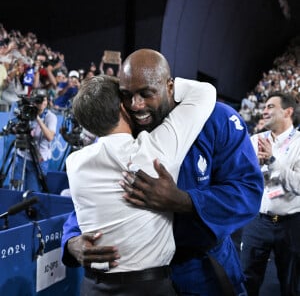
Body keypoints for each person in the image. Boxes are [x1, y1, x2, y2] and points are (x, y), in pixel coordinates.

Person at [61, 49, 264, 296]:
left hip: (202, 270)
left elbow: (248, 192)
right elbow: (92, 197)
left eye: (147, 93)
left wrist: (185, 201)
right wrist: (72, 241)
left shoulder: (217, 118)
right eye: (127, 95)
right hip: (140, 281)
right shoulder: (121, 128)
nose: (136, 105)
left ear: (170, 87)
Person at [66, 73, 216, 295]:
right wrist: (164, 84)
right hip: (148, 287)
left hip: (93, 286)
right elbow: (205, 92)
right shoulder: (154, 150)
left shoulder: (74, 163)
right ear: (123, 108)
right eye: (128, 97)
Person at [240, 92, 300, 296]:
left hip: (291, 225)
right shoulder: (254, 139)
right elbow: (238, 178)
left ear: (288, 112)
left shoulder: (299, 143)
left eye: (270, 107)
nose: (264, 111)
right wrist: (252, 167)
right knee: (246, 280)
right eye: (264, 107)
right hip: (257, 222)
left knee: (290, 284)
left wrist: (273, 161)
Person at [12, 88, 57, 192]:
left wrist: (37, 117)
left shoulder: (51, 117)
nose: (41, 102)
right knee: (15, 189)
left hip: (39, 160)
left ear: (47, 101)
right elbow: (15, 130)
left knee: (32, 191)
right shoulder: (26, 112)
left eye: (44, 100)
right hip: (21, 156)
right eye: (38, 99)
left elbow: (50, 137)